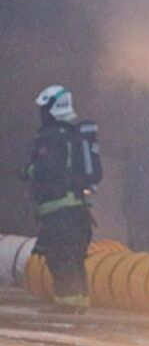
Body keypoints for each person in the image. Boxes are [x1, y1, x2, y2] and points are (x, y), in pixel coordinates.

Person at [19, 85, 94, 314]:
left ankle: (67, 309)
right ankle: (79, 306)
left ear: (50, 109)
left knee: (59, 258)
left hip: (59, 212)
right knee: (74, 259)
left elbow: (47, 169)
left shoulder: (51, 136)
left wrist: (27, 170)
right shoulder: (73, 134)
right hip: (78, 212)